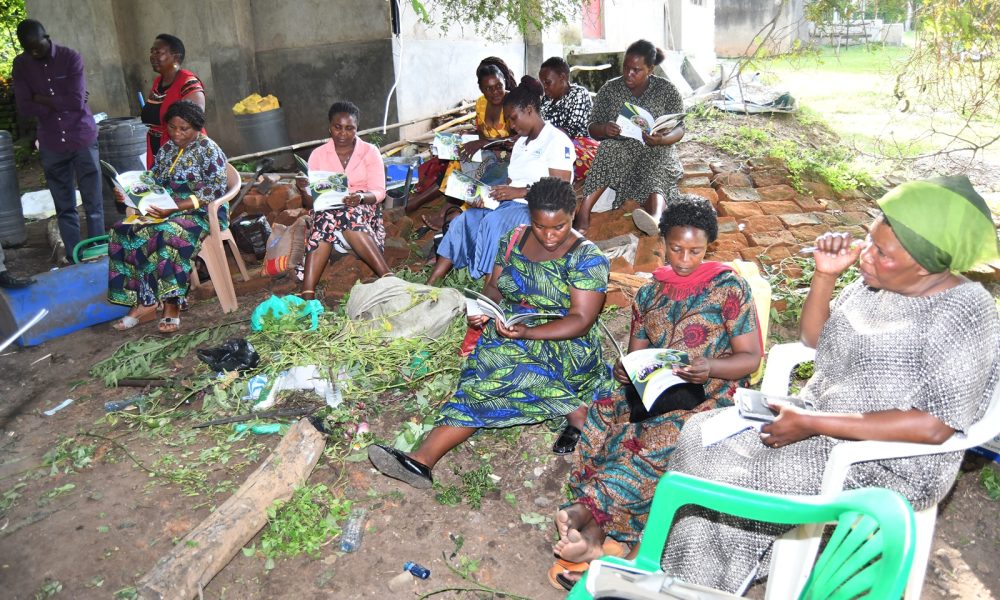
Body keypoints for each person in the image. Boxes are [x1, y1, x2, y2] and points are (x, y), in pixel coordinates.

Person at [658, 175, 1000, 592]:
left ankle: (701, 584)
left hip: (888, 460)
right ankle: (687, 575)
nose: (866, 256)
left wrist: (813, 423)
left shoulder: (966, 312)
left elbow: (934, 427)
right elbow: (815, 339)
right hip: (819, 420)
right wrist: (824, 275)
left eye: (882, 253)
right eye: (870, 241)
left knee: (729, 480)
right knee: (699, 436)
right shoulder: (876, 282)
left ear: (926, 265)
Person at [549, 194, 763, 590]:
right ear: (662, 241)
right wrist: (626, 370)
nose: (684, 259)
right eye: (677, 248)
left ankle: (587, 513)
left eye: (695, 251)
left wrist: (710, 366)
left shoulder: (728, 287)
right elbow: (638, 353)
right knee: (604, 417)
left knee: (657, 440)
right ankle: (597, 534)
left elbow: (750, 358)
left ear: (709, 246)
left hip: (713, 393)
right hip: (659, 390)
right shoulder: (650, 293)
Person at [368, 177, 616, 488]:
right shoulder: (514, 238)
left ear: (572, 214)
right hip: (510, 330)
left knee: (499, 376)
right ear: (530, 216)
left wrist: (527, 333)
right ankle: (575, 411)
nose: (549, 235)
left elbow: (581, 319)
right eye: (540, 226)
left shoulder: (587, 258)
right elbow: (494, 288)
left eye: (559, 227)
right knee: (489, 373)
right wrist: (484, 309)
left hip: (564, 344)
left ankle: (423, 459)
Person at [426, 76, 575, 285]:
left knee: (493, 223)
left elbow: (560, 191)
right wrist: (489, 197)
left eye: (513, 118)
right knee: (465, 219)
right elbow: (512, 182)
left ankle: (491, 288)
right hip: (509, 204)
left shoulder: (556, 141)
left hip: (536, 209)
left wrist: (520, 192)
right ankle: (432, 282)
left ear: (529, 110)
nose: (511, 126)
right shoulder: (521, 144)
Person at [108, 101, 229, 334]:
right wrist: (127, 193)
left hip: (200, 211)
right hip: (166, 208)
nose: (176, 134)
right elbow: (152, 182)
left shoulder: (208, 149)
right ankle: (145, 300)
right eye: (172, 127)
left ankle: (172, 304)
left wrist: (175, 208)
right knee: (123, 229)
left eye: (184, 129)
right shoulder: (167, 149)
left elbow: (215, 190)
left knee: (168, 233)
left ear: (196, 128)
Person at [13, 19, 104, 263]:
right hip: (52, 142)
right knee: (64, 206)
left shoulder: (70, 57)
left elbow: (76, 102)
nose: (35, 53)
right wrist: (56, 101)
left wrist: (39, 98)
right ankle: (75, 256)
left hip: (82, 137)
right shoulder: (21, 65)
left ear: (47, 37)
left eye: (38, 47)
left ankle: (97, 252)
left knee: (93, 202)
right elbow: (24, 106)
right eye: (29, 49)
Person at [574, 39, 684, 237]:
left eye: (636, 70)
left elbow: (680, 129)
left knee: (656, 167)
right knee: (609, 149)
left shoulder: (667, 90)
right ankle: (583, 213)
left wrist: (662, 139)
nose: (628, 74)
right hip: (623, 151)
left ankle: (656, 218)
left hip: (656, 148)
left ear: (650, 69)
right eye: (626, 68)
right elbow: (592, 128)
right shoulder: (610, 89)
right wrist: (604, 129)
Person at [407, 57, 517, 229]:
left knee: (482, 172)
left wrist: (485, 143)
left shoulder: (514, 102)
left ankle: (457, 211)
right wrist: (469, 137)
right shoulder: (481, 103)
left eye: (498, 86)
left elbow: (518, 139)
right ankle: (447, 207)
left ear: (504, 81)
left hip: (509, 157)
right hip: (489, 151)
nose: (495, 92)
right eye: (489, 88)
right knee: (461, 156)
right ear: (481, 89)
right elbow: (482, 133)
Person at [295, 101, 390, 295]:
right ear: (329, 127)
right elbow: (311, 203)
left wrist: (360, 197)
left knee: (346, 214)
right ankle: (308, 294)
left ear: (357, 128)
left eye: (349, 128)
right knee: (324, 217)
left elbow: (379, 192)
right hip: (327, 211)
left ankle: (388, 277)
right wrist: (305, 190)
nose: (343, 133)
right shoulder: (318, 155)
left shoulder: (369, 152)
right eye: (338, 127)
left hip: (363, 210)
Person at [141, 34, 206, 167]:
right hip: (158, 150)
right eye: (152, 52)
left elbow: (193, 123)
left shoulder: (188, 82)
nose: (152, 56)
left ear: (176, 57)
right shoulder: (158, 82)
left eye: (158, 52)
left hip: (182, 154)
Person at [539, 56, 599, 182]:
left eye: (547, 82)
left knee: (557, 156)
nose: (544, 87)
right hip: (548, 143)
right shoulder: (546, 100)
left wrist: (539, 135)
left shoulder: (579, 94)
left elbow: (569, 130)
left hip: (580, 146)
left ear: (562, 78)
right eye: (542, 83)